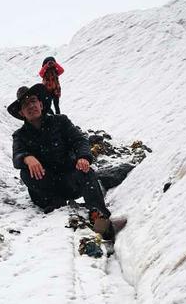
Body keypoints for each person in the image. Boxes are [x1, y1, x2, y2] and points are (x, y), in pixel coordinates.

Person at [7, 85, 125, 240]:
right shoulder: (19, 135)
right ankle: (57, 205)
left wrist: (83, 157)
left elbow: (79, 140)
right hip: (46, 191)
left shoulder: (60, 121)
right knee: (25, 171)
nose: (31, 106)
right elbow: (17, 157)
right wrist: (26, 157)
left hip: (69, 181)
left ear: (41, 104)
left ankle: (100, 221)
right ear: (21, 113)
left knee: (86, 170)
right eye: (25, 104)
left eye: (33, 101)